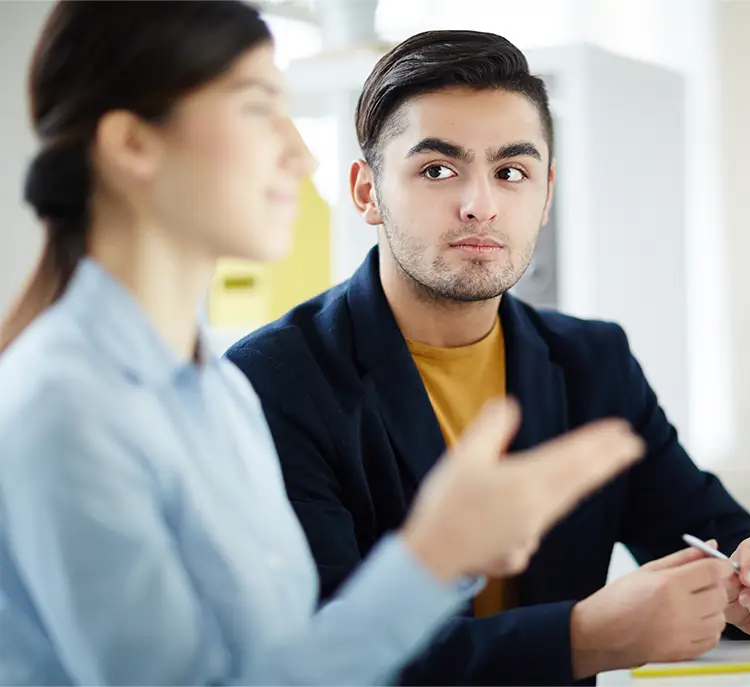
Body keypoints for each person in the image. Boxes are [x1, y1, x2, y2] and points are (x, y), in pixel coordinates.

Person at [0, 4, 648, 685]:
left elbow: (284, 662)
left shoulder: (212, 391)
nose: (299, 153)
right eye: (258, 108)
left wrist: (443, 552)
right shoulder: (66, 406)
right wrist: (433, 556)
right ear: (134, 144)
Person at [226, 28, 750, 686]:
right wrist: (583, 637)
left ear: (545, 196)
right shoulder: (272, 379)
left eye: (511, 172)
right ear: (367, 192)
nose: (480, 203)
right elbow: (324, 656)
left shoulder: (595, 360)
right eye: (437, 169)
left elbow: (719, 540)